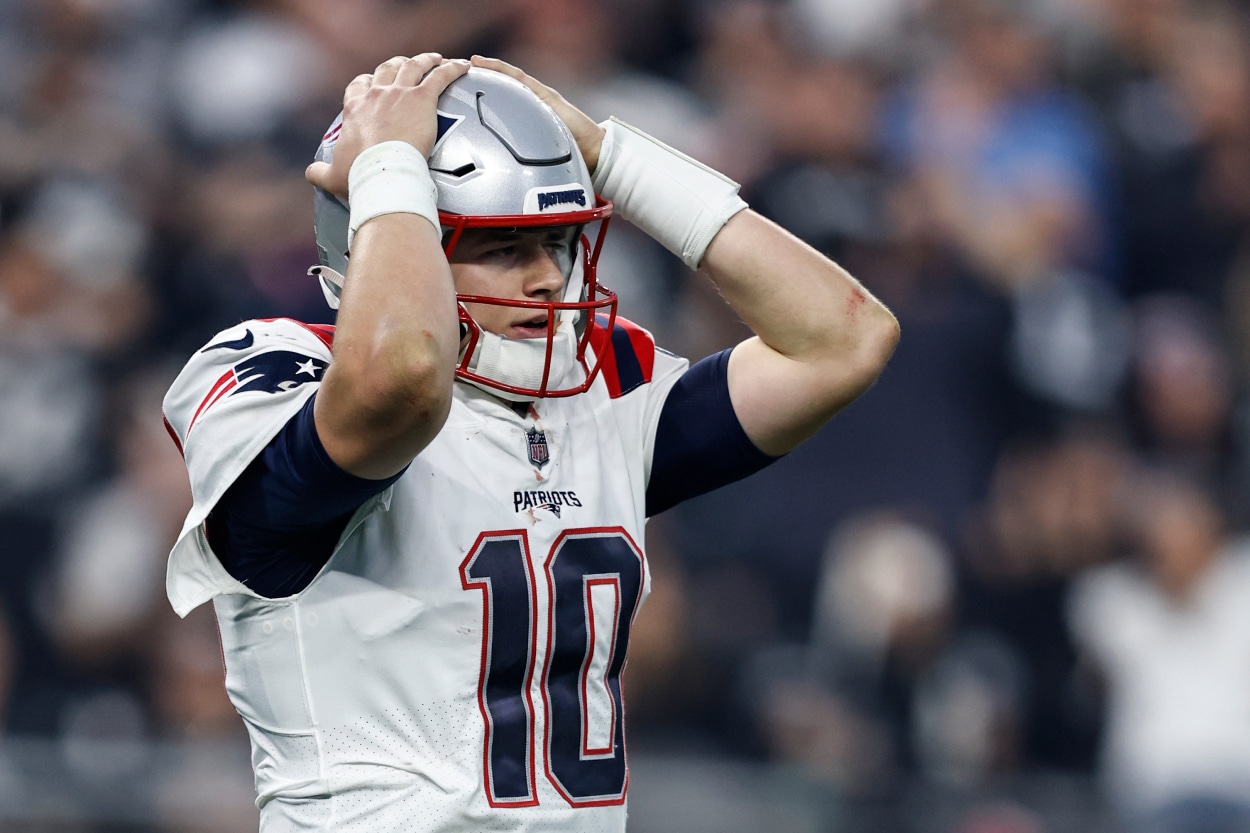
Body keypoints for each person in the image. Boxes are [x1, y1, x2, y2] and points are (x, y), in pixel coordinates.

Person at [160, 53, 898, 831]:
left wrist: (615, 159)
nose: (550, 278)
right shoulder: (276, 368)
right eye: (505, 246)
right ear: (379, 231)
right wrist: (389, 169)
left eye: (559, 241)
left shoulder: (596, 387)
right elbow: (402, 381)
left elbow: (841, 341)